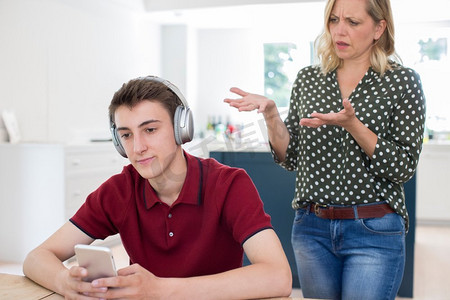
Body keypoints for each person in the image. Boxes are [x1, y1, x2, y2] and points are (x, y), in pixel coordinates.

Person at [23, 76, 292, 299]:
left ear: (181, 130)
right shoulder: (120, 190)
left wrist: (160, 289)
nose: (137, 148)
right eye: (126, 135)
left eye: (150, 130)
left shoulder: (229, 184)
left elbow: (278, 276)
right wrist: (63, 281)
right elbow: (36, 258)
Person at [224, 0, 426, 299]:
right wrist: (271, 114)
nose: (338, 31)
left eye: (353, 22)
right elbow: (290, 156)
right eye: (333, 20)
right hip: (312, 229)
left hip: (374, 230)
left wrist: (353, 125)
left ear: (379, 27)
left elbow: (403, 167)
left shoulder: (402, 81)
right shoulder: (309, 79)